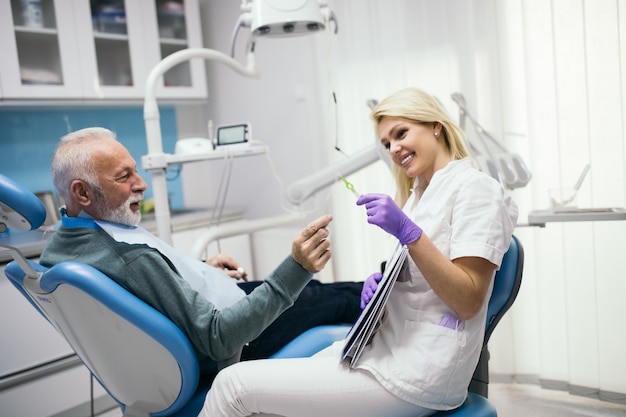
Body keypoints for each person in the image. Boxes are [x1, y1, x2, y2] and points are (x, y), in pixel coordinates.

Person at [199, 87, 519, 417]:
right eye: (386, 143)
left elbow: (467, 301)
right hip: (384, 352)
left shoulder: (476, 189)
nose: (394, 149)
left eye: (400, 133)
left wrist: (408, 233)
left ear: (435, 125)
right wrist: (384, 289)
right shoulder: (420, 195)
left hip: (419, 372)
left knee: (232, 385)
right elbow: (425, 279)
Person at [40, 127, 362, 377]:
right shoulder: (131, 258)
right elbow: (219, 338)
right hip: (233, 342)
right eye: (124, 177)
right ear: (81, 192)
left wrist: (198, 269)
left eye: (135, 171)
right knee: (338, 299)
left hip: (206, 316)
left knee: (319, 293)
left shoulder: (63, 244)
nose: (141, 184)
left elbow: (146, 287)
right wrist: (298, 267)